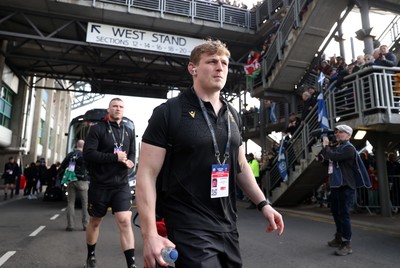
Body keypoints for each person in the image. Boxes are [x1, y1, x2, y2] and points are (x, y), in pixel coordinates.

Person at [136, 39, 284, 268]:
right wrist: (150, 235)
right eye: (212, 61)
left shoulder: (232, 114)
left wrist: (264, 204)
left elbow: (241, 165)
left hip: (227, 224)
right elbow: (146, 173)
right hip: (188, 225)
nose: (220, 67)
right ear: (192, 68)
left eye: (224, 63)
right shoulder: (169, 112)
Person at [83, 98, 137, 268]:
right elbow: (89, 154)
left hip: (121, 185)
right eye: (115, 106)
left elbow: (133, 153)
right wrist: (115, 157)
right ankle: (90, 255)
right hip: (99, 184)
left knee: (124, 220)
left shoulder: (128, 131)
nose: (118, 109)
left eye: (121, 107)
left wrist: (131, 162)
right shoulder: (97, 129)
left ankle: (132, 264)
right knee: (95, 221)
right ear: (109, 109)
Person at [318, 124, 371, 256]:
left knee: (344, 214)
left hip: (346, 185)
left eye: (340, 132)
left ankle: (346, 244)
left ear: (348, 135)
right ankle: (339, 236)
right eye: (336, 132)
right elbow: (330, 161)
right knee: (336, 212)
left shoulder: (349, 148)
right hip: (337, 185)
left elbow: (335, 157)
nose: (337, 134)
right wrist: (322, 158)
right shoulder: (339, 147)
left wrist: (326, 147)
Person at [59, 139, 89, 232]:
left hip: (71, 180)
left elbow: (62, 166)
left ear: (76, 145)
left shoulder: (70, 155)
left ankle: (70, 225)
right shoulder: (86, 155)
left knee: (71, 203)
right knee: (85, 204)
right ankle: (85, 225)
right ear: (84, 146)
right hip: (83, 181)